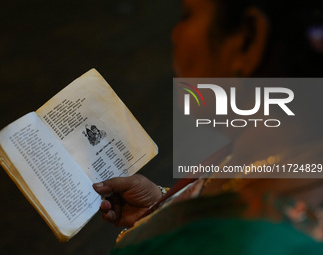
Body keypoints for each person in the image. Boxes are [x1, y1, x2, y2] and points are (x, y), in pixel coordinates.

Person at [93, 0, 323, 253]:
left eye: (187, 15)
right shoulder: (274, 152)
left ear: (248, 40)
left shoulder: (233, 243)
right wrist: (161, 208)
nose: (175, 34)